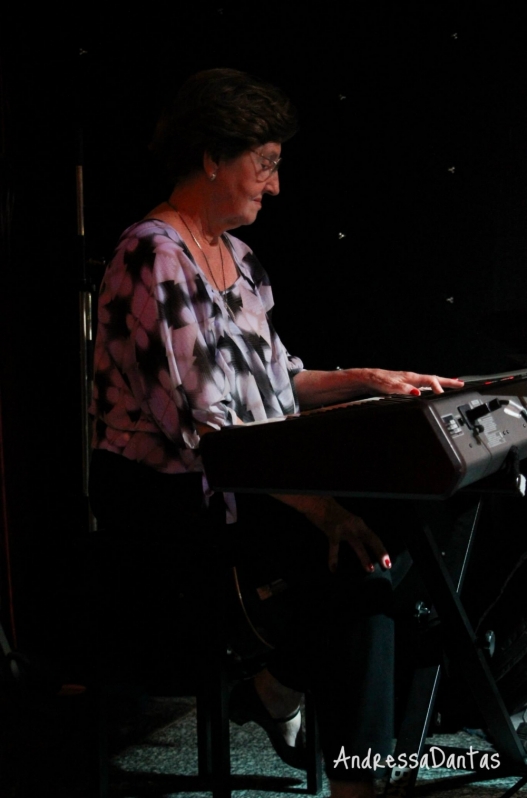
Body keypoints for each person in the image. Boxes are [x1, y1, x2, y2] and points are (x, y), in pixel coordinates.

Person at [88, 68, 464, 798]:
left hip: (246, 484)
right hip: (172, 505)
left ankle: (294, 698)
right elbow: (209, 434)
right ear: (210, 157)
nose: (274, 185)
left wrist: (367, 377)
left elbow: (277, 384)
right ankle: (346, 758)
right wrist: (319, 505)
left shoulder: (243, 259)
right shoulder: (154, 254)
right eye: (265, 164)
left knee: (391, 536)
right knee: (353, 557)